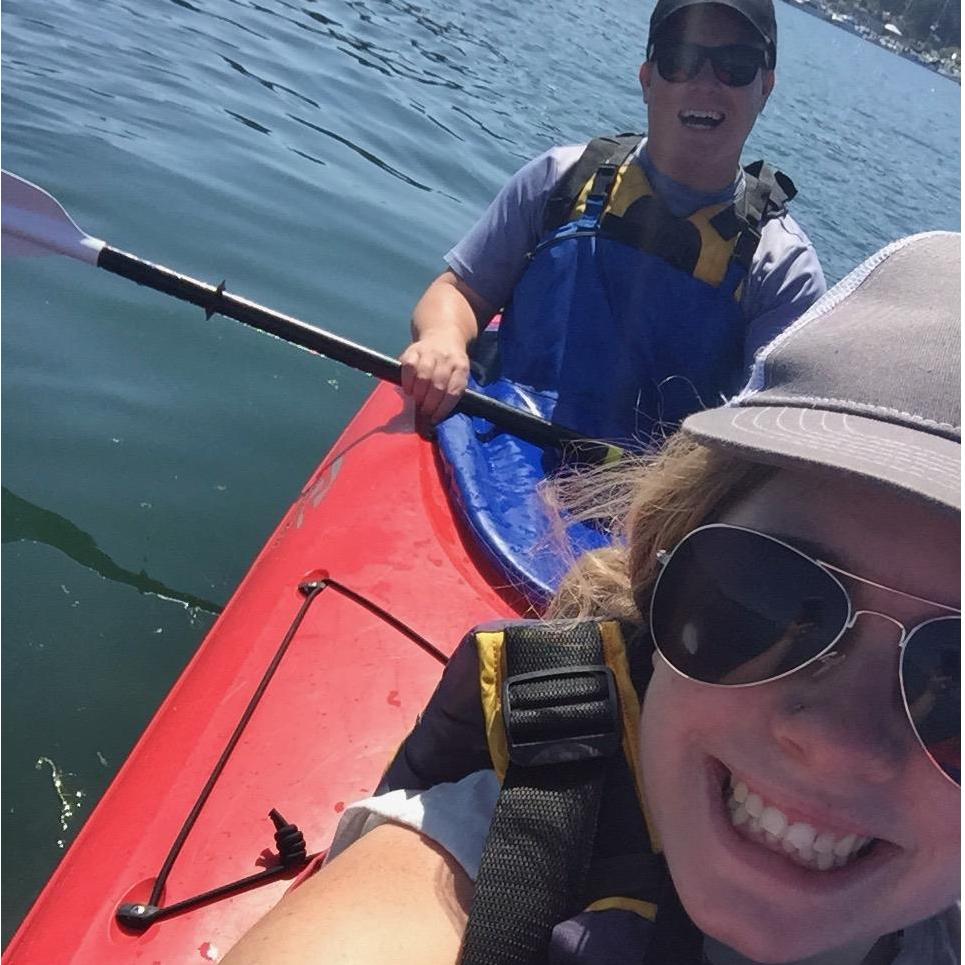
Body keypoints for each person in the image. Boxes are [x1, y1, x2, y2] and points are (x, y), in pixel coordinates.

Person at [224, 231, 959, 964]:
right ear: (659, 573)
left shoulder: (775, 260)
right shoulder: (466, 867)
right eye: (759, 599)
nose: (836, 745)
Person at [399, 0, 827, 444]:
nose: (704, 84)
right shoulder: (560, 179)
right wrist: (443, 339)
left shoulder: (782, 268)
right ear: (647, 79)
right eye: (679, 60)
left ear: (766, 88)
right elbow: (459, 292)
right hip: (491, 442)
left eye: (735, 65)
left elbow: (768, 427)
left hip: (658, 482)